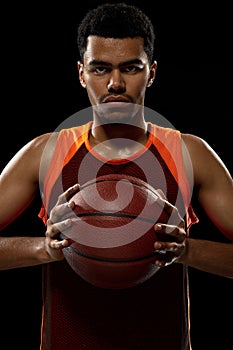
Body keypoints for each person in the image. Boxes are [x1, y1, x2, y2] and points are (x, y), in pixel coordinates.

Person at [0, 2, 232, 350]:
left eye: (131, 68)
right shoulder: (45, 153)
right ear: (81, 73)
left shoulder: (188, 153)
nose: (115, 83)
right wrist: (43, 249)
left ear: (151, 72)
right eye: (100, 69)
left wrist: (186, 251)